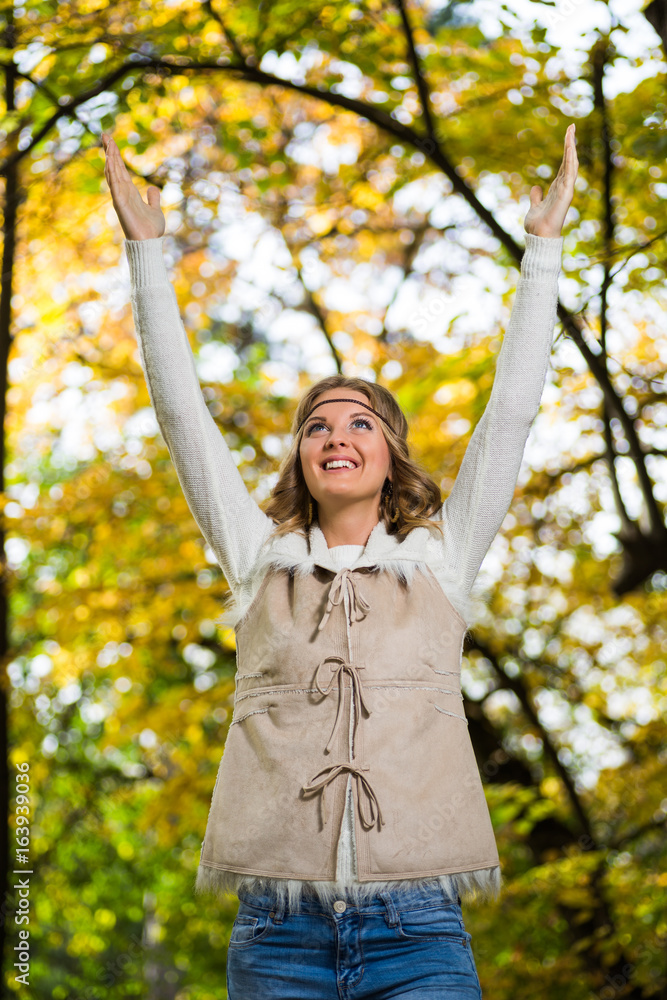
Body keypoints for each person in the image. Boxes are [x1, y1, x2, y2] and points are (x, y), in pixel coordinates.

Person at [102, 123, 577, 1000]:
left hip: (418, 931)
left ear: (390, 455)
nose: (334, 435)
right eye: (315, 425)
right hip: (277, 936)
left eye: (360, 421)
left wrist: (542, 251)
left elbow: (510, 415)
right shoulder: (259, 562)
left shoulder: (442, 559)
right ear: (301, 458)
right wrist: (147, 254)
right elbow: (183, 419)